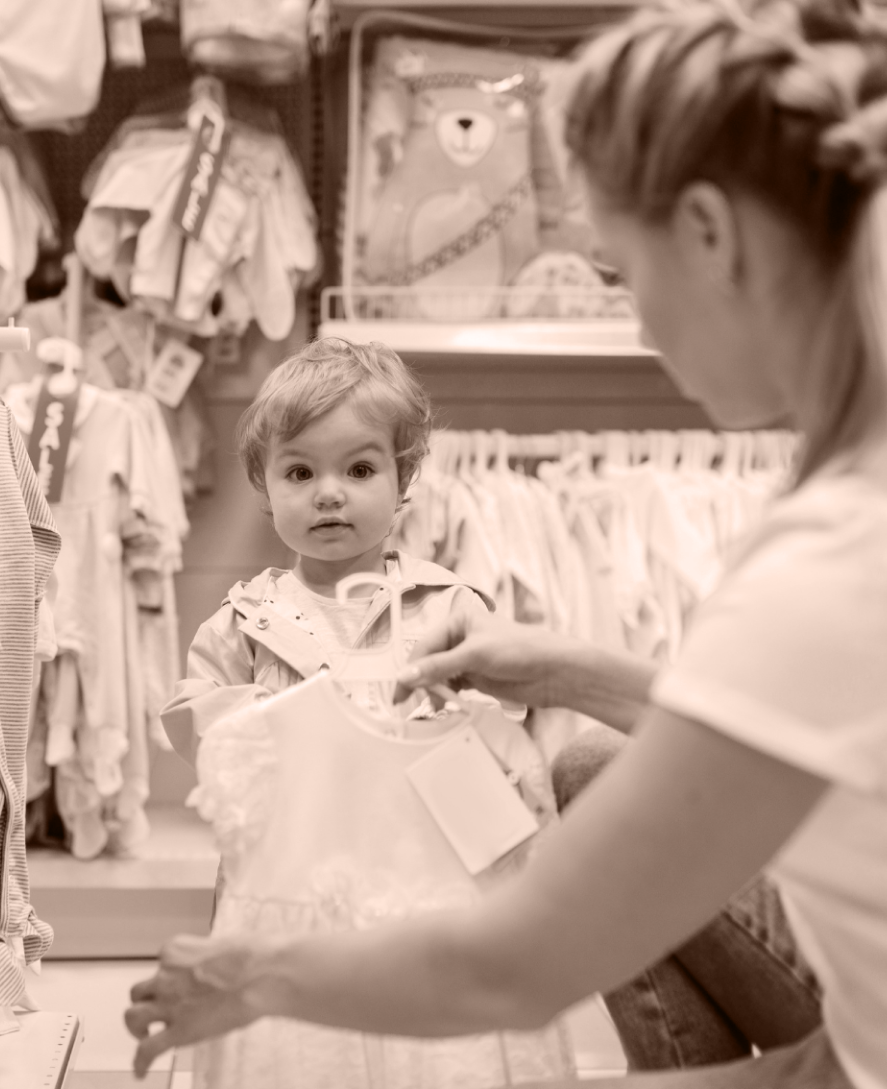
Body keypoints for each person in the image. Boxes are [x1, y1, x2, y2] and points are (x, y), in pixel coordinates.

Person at [123, 0, 887, 1085]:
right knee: (589, 767)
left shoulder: (852, 546)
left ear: (710, 234)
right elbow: (821, 722)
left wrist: (248, 975)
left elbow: (516, 967)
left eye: (630, 275)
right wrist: (565, 669)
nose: (644, 325)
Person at [158, 337, 568, 1088]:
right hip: (292, 883)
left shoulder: (452, 609)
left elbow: (504, 731)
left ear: (403, 479)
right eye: (299, 472)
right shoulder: (242, 622)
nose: (329, 494)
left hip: (424, 879)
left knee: (428, 1048)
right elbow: (197, 724)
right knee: (298, 1050)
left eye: (359, 469)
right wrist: (283, 721)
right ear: (263, 485)